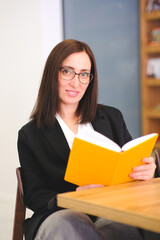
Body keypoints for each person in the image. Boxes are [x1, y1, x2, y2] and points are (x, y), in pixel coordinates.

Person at [18, 39, 156, 240]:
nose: (76, 82)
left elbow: (129, 167)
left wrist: (147, 171)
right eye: (67, 71)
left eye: (84, 74)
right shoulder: (30, 134)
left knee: (123, 228)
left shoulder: (112, 117)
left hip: (111, 209)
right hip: (59, 215)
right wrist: (76, 195)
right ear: (52, 74)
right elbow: (35, 196)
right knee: (72, 226)